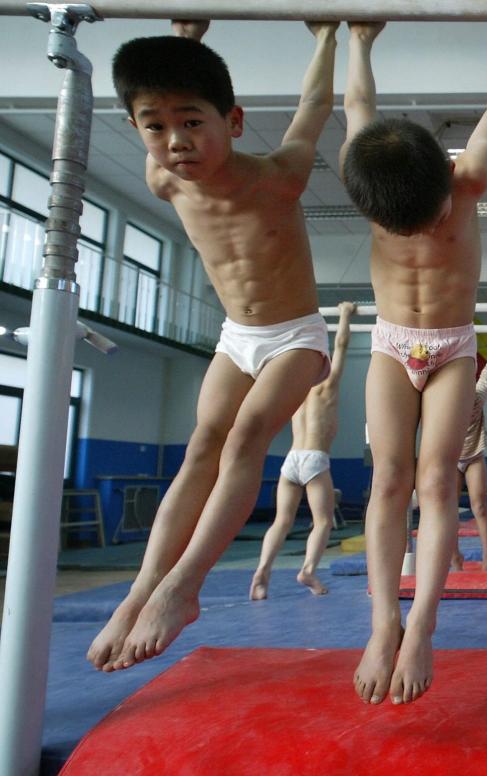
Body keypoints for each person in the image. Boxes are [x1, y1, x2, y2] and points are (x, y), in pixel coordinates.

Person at [88, 19, 339, 672]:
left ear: (232, 121)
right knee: (202, 444)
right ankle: (143, 587)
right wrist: (187, 38)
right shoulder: (163, 180)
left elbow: (313, 111)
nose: (176, 141)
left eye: (192, 123)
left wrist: (329, 39)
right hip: (237, 336)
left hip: (296, 336)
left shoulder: (279, 176)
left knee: (249, 431)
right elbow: (172, 95)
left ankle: (185, 584)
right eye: (154, 126)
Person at [341, 20, 487, 706]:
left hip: (451, 348)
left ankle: (422, 624)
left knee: (436, 482)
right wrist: (359, 41)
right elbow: (357, 109)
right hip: (392, 343)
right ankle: (383, 619)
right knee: (387, 479)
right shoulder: (377, 185)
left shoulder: (469, 178)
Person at [250, 302, 356, 600]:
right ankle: (308, 569)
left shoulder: (296, 392)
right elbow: (342, 345)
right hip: (314, 459)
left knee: (281, 521)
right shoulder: (328, 387)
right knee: (322, 521)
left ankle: (262, 571)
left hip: (291, 460)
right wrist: (346, 315)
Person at [450, 330, 487, 572]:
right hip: (449, 459)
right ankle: (454, 555)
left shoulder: (477, 395)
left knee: (479, 506)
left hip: (474, 456)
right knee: (448, 509)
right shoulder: (443, 403)